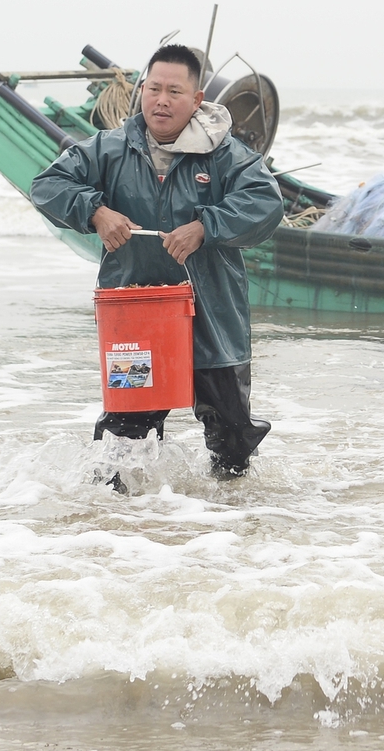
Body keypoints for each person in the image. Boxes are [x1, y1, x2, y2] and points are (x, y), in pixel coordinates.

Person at [31, 44, 284, 477]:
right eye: (153, 89)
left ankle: (232, 530)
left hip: (214, 317)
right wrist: (96, 211)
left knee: (233, 441)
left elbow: (265, 202)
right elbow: (47, 185)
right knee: (122, 444)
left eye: (174, 91)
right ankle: (121, 530)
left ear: (197, 100)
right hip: (137, 319)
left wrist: (207, 226)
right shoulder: (107, 150)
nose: (161, 100)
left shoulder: (227, 155)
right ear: (141, 91)